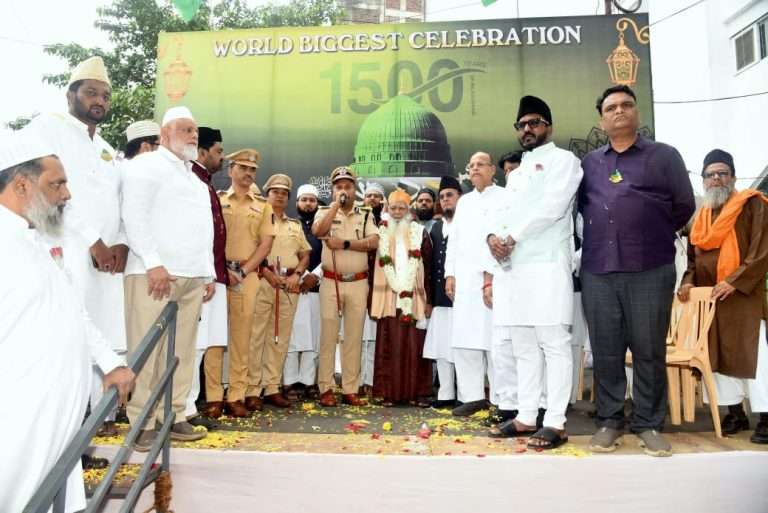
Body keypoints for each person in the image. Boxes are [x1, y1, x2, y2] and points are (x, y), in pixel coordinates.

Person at [0, 136, 134, 513]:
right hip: (15, 422)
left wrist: (110, 362)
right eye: (56, 184)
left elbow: (71, 309)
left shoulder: (34, 240)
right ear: (21, 185)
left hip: (51, 421)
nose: (66, 194)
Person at [580, 85, 695, 456]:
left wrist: (647, 233)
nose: (619, 111)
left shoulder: (664, 156)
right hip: (599, 270)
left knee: (648, 349)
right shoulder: (589, 163)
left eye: (626, 105)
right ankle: (609, 421)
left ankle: (648, 423)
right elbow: (581, 208)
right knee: (606, 351)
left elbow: (684, 205)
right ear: (601, 119)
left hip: (650, 268)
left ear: (637, 113)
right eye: (611, 107)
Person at [22, 56, 128, 438]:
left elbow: (120, 201)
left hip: (106, 262)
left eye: (105, 95)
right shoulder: (47, 127)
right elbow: (49, 192)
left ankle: (99, 421)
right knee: (71, 332)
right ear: (71, 94)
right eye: (91, 92)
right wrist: (93, 241)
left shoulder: (106, 148)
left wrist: (121, 243)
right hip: (66, 249)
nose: (99, 101)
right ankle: (71, 426)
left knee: (102, 335)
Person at [484, 95, 583, 449]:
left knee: (553, 343)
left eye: (534, 122)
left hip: (547, 265)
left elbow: (553, 207)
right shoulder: (517, 172)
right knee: (523, 345)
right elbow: (503, 214)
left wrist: (511, 237)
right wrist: (492, 238)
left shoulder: (564, 161)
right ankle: (526, 416)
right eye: (522, 124)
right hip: (513, 269)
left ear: (548, 127)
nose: (527, 129)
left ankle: (555, 421)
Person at [122, 106, 216, 450]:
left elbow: (204, 230)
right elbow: (133, 215)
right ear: (164, 134)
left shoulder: (196, 180)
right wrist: (152, 262)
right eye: (185, 129)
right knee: (147, 351)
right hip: (155, 274)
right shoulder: (145, 166)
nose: (193, 136)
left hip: (192, 276)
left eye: (195, 131)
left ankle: (174, 415)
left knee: (182, 353)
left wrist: (208, 272)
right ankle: (142, 422)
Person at [679, 149, 768, 444]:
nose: (716, 179)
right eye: (710, 175)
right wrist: (688, 283)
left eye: (722, 173)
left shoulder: (753, 204)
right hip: (711, 301)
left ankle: (766, 417)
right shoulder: (700, 217)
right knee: (718, 358)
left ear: (733, 178)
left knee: (755, 357)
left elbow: (761, 250)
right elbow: (693, 261)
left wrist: (734, 281)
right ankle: (735, 413)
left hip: (744, 298)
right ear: (703, 181)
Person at [444, 152, 505, 416]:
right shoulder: (465, 202)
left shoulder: (504, 197)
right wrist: (450, 274)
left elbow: (503, 237)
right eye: (471, 166)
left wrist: (490, 277)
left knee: (496, 342)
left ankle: (502, 399)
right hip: (465, 279)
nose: (476, 168)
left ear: (492, 170)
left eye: (481, 164)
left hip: (495, 277)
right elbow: (454, 241)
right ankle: (472, 396)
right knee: (465, 340)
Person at [312, 166, 379, 407]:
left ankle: (351, 388)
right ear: (333, 190)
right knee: (328, 336)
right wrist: (334, 207)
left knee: (353, 337)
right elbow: (318, 231)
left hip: (358, 282)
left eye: (348, 187)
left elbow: (374, 241)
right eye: (339, 187)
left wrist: (346, 244)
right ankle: (326, 388)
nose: (343, 191)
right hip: (331, 282)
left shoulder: (365, 214)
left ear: (354, 190)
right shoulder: (324, 211)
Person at [215, 149, 275, 415]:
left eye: (252, 170)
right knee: (214, 338)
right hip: (217, 275)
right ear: (230, 170)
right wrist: (222, 270)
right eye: (243, 168)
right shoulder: (217, 200)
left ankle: (236, 395)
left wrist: (242, 271)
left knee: (242, 339)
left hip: (246, 276)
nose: (248, 173)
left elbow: (266, 244)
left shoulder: (263, 205)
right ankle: (214, 396)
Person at [247, 174, 311, 408]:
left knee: (280, 339)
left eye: (284, 193)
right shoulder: (257, 219)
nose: (280, 196)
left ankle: (272, 387)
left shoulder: (294, 225)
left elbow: (305, 254)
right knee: (256, 337)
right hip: (262, 281)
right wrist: (266, 272)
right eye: (275, 192)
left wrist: (297, 275)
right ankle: (252, 389)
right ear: (267, 195)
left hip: (288, 285)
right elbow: (249, 250)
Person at [369, 189, 433, 406]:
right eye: (393, 208)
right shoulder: (379, 233)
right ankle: (388, 393)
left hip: (414, 296)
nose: (397, 212)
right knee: (390, 344)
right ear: (388, 208)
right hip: (387, 296)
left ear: (408, 210)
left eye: (401, 208)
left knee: (415, 345)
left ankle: (417, 394)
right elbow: (372, 265)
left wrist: (429, 300)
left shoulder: (420, 232)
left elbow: (428, 267)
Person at [187, 127, 227, 429]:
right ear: (202, 152)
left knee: (203, 344)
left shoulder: (203, 182)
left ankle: (188, 406)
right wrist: (205, 274)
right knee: (193, 344)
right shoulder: (190, 180)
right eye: (218, 151)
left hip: (213, 274)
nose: (222, 157)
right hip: (201, 276)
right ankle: (185, 409)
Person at [423, 176, 462, 407]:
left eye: (450, 195)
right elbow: (429, 266)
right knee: (442, 348)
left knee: (464, 348)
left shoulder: (468, 223)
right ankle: (445, 394)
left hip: (462, 298)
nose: (446, 199)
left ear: (460, 197)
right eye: (443, 196)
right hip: (440, 298)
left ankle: (466, 395)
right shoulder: (436, 228)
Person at [284, 184, 323, 400]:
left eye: (312, 200)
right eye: (304, 200)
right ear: (297, 202)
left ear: (317, 203)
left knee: (314, 336)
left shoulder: (324, 227)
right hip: (293, 286)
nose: (308, 204)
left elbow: (330, 254)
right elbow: (285, 253)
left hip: (316, 287)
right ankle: (288, 381)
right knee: (291, 336)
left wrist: (314, 276)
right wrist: (300, 276)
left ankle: (309, 382)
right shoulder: (289, 225)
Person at [360, 182, 385, 396]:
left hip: (381, 287)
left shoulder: (389, 224)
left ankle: (374, 381)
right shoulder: (356, 221)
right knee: (358, 336)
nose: (372, 199)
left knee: (377, 338)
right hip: (357, 282)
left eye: (377, 196)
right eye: (369, 196)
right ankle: (358, 381)